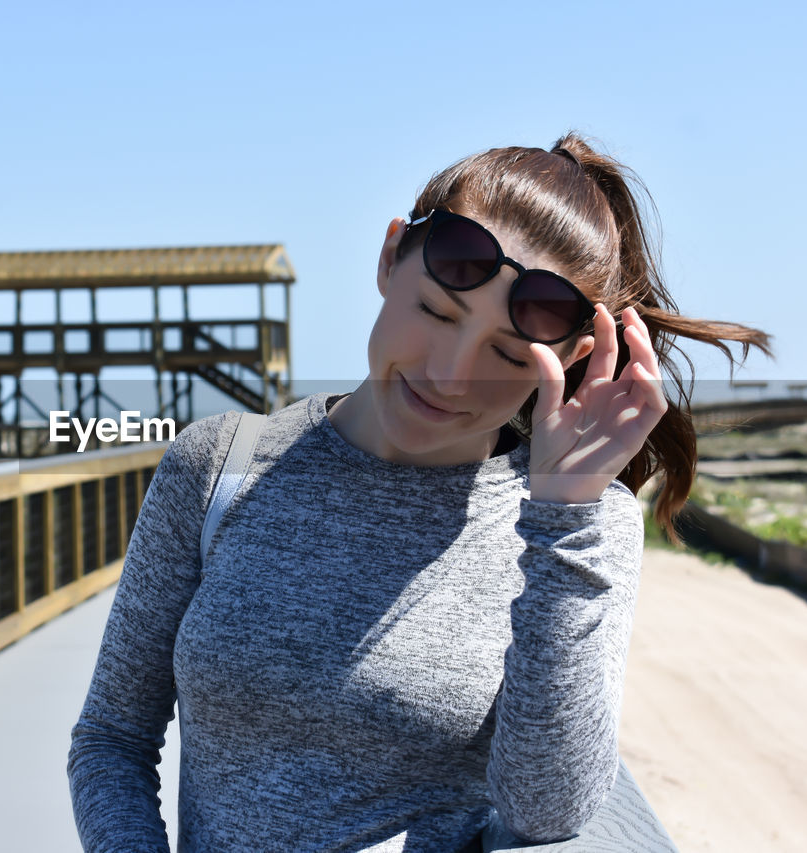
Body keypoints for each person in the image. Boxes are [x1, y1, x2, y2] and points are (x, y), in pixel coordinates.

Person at [66, 133, 770, 852]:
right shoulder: (216, 466)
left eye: (505, 353)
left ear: (572, 359)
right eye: (436, 312)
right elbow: (111, 738)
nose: (452, 374)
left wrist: (566, 514)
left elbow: (546, 811)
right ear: (389, 255)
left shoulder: (579, 522)